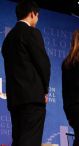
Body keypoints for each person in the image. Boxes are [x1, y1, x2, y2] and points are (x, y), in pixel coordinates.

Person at [1, 1, 51, 146]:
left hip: (15, 99)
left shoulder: (8, 39)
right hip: (32, 98)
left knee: (18, 139)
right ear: (32, 14)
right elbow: (43, 63)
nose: (37, 19)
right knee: (30, 140)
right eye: (37, 16)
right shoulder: (32, 33)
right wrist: (45, 90)